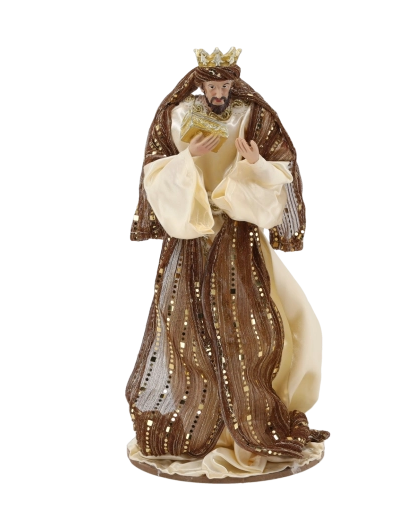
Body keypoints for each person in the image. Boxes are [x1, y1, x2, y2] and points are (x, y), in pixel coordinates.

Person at [125, 46, 330, 481]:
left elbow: (281, 168)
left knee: (256, 331)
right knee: (188, 332)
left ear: (233, 83)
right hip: (192, 240)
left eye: (224, 85)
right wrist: (187, 158)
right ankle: (201, 428)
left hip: (240, 239)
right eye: (212, 85)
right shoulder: (177, 117)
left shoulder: (252, 116)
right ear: (199, 84)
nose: (218, 92)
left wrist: (255, 165)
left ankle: (249, 425)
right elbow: (154, 172)